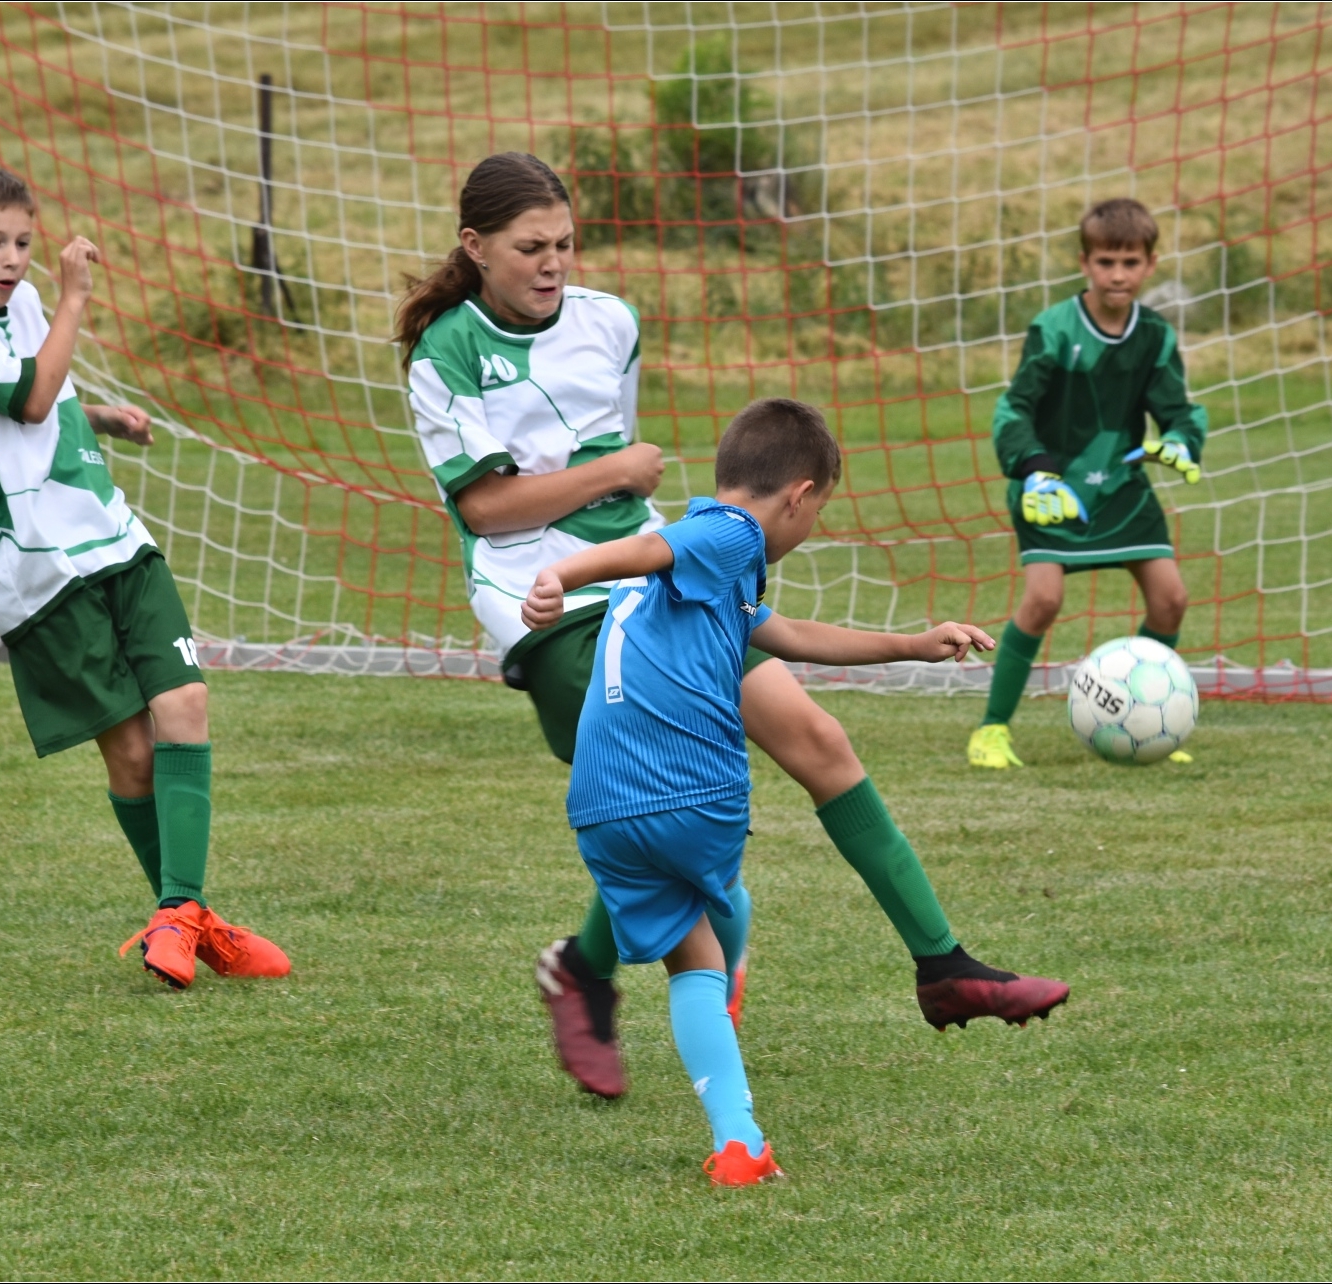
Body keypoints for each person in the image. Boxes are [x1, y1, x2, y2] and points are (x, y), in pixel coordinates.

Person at [401, 153, 1070, 1100]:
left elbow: (620, 481)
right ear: (475, 247)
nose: (552, 263)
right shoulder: (446, 353)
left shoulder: (609, 322)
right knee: (671, 807)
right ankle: (617, 1001)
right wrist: (617, 473)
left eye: (565, 243)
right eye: (529, 248)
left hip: (650, 575)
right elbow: (486, 507)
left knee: (818, 740)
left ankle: (944, 965)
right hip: (545, 608)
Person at [524, 399, 1046, 1184]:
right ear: (799, 496)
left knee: (692, 955)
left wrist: (912, 644)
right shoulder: (730, 535)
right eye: (820, 510)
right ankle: (734, 1031)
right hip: (695, 794)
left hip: (601, 809)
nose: (813, 525)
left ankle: (740, 1140)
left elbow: (789, 635)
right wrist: (560, 575)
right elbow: (653, 544)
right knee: (721, 910)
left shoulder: (712, 575)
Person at [0, 163, 289, 989]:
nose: (14, 259)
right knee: (134, 756)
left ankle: (181, 914)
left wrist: (103, 418)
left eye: (24, 242)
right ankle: (185, 914)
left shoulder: (23, 300)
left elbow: (53, 393)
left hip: (109, 532)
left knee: (186, 702)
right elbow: (28, 401)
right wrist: (75, 298)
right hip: (32, 568)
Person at [967, 197, 1209, 769]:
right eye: (1105, 262)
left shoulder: (1154, 335)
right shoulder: (1053, 328)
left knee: (1171, 600)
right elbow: (1014, 409)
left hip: (1120, 487)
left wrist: (1180, 441)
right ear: (1084, 263)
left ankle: (1146, 722)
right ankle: (992, 730)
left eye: (1130, 262)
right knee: (1044, 599)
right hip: (1051, 489)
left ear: (1150, 265)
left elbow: (1177, 410)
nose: (1117, 274)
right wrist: (1034, 469)